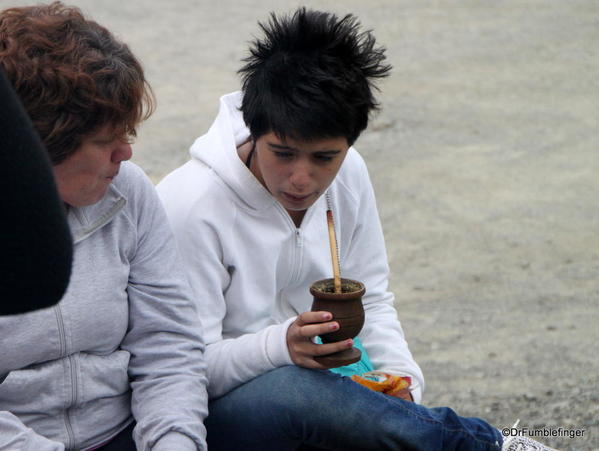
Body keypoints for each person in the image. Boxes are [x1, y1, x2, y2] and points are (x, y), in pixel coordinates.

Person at [158, 8, 556, 451]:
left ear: (349, 144)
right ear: (253, 128)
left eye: (324, 157)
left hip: (331, 389)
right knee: (299, 392)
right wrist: (280, 348)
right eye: (283, 153)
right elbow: (179, 369)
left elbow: (376, 302)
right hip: (227, 414)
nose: (302, 179)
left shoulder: (350, 174)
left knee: (354, 407)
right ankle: (493, 445)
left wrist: (403, 384)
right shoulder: (191, 204)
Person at [0, 3, 208, 450]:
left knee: (287, 403)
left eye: (127, 134)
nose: (126, 155)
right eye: (104, 141)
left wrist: (175, 441)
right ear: (40, 142)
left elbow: (167, 341)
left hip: (124, 432)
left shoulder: (128, 191)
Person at [0, 67, 72, 316]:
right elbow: (39, 281)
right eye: (103, 140)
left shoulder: (127, 185)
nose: (125, 153)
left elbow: (169, 331)